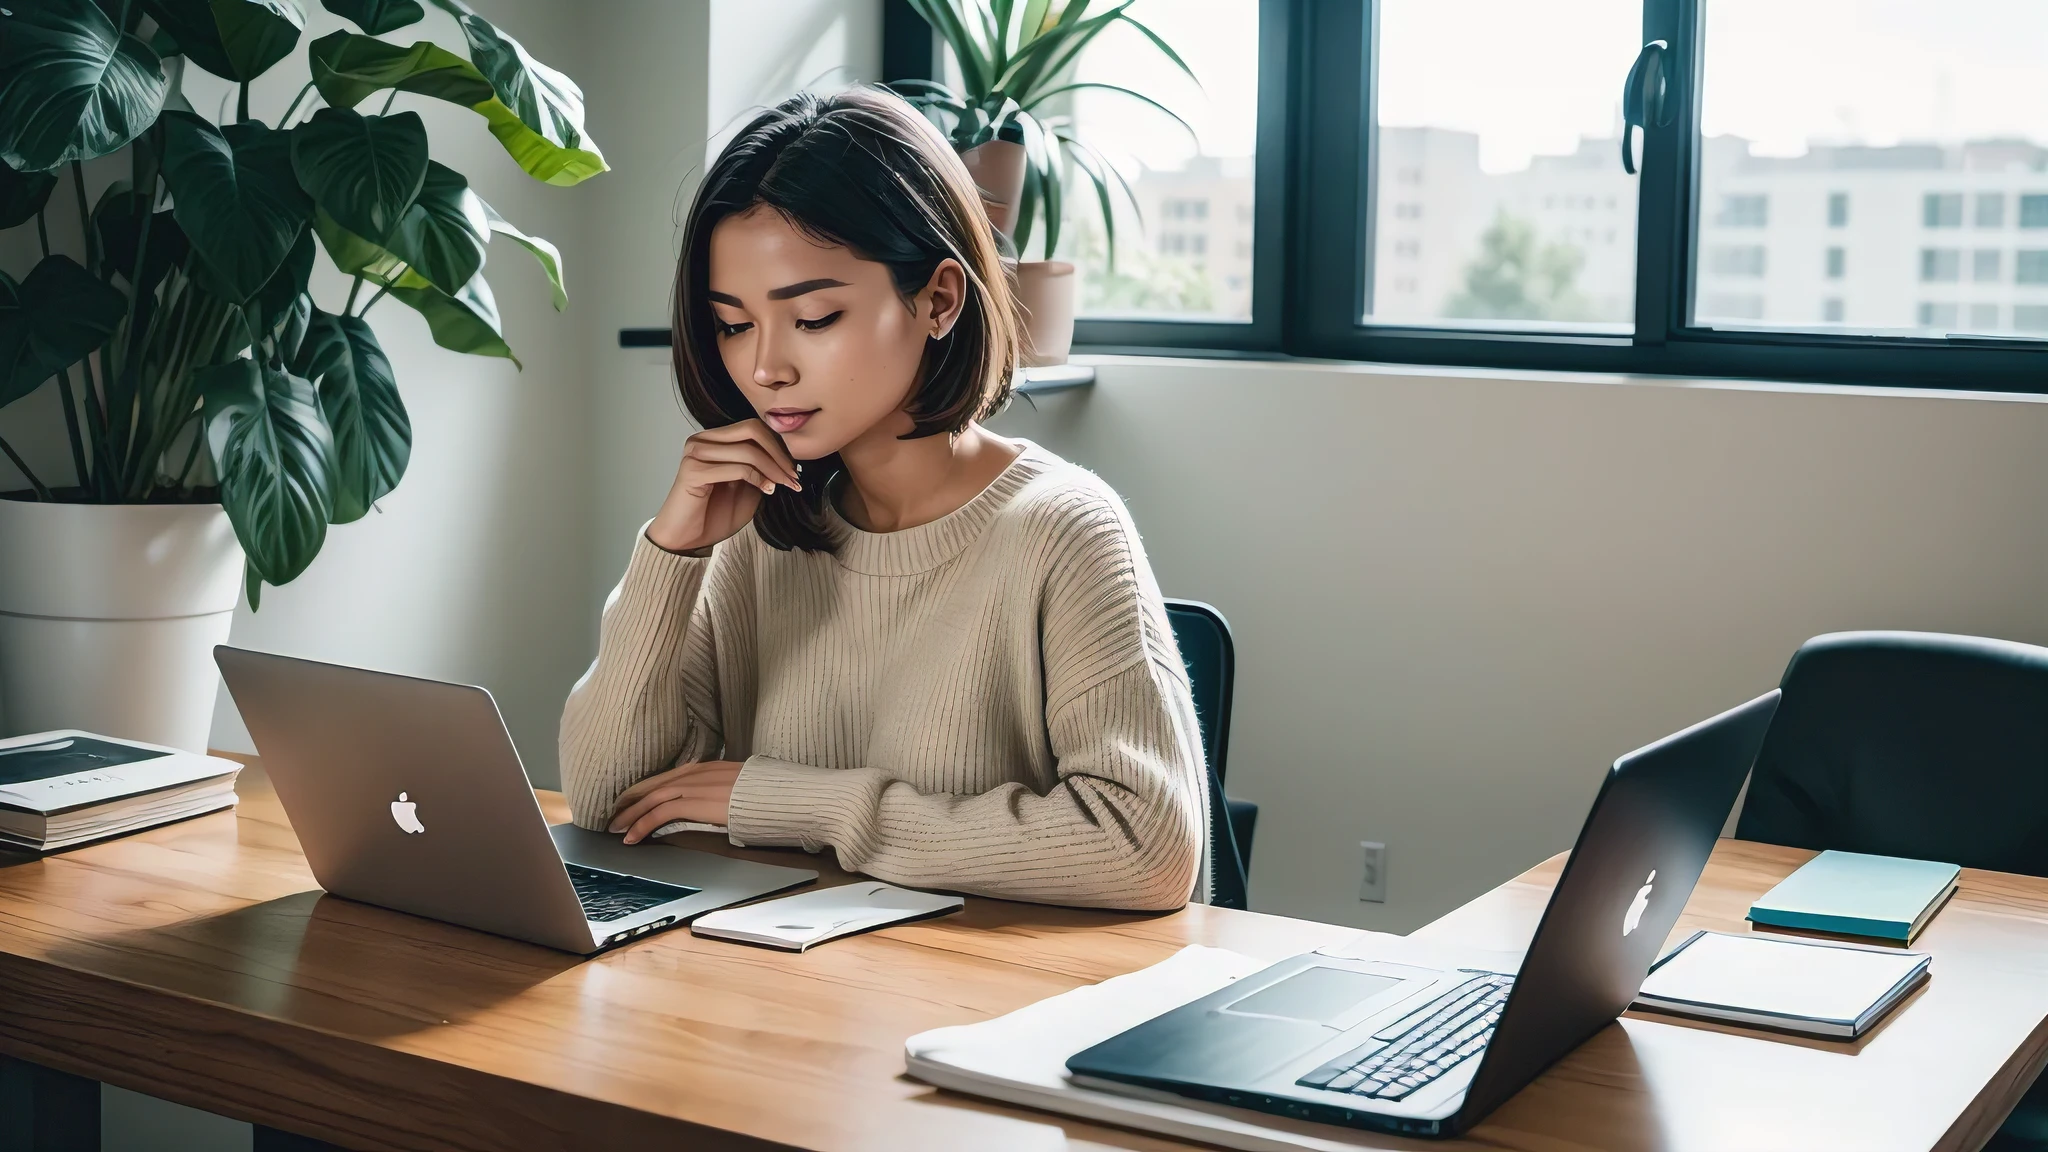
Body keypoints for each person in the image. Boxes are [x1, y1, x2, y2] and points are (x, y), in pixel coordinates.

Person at [559, 88, 1206, 910]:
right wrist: (671, 553)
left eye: (815, 317)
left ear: (938, 299)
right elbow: (610, 803)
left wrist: (803, 801)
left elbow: (1144, 850)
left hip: (983, 1014)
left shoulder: (1062, 529)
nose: (765, 369)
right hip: (790, 993)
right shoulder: (756, 532)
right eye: (732, 324)